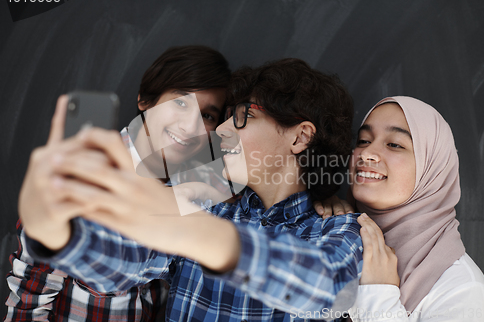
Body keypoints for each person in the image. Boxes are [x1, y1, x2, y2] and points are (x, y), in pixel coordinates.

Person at [19, 58, 363, 321]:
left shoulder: (340, 229)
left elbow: (329, 287)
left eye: (244, 117)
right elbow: (129, 261)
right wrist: (56, 233)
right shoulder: (210, 206)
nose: (222, 130)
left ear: (300, 136)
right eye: (225, 117)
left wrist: (193, 230)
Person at [5, 45, 231, 321]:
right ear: (145, 101)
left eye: (207, 115)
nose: (190, 126)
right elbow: (28, 302)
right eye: (181, 103)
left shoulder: (197, 193)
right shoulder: (82, 172)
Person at [321, 96, 484, 321]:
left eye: (394, 144)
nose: (366, 153)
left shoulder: (462, 289)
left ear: (432, 168)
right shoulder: (331, 236)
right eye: (363, 140)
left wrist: (379, 293)